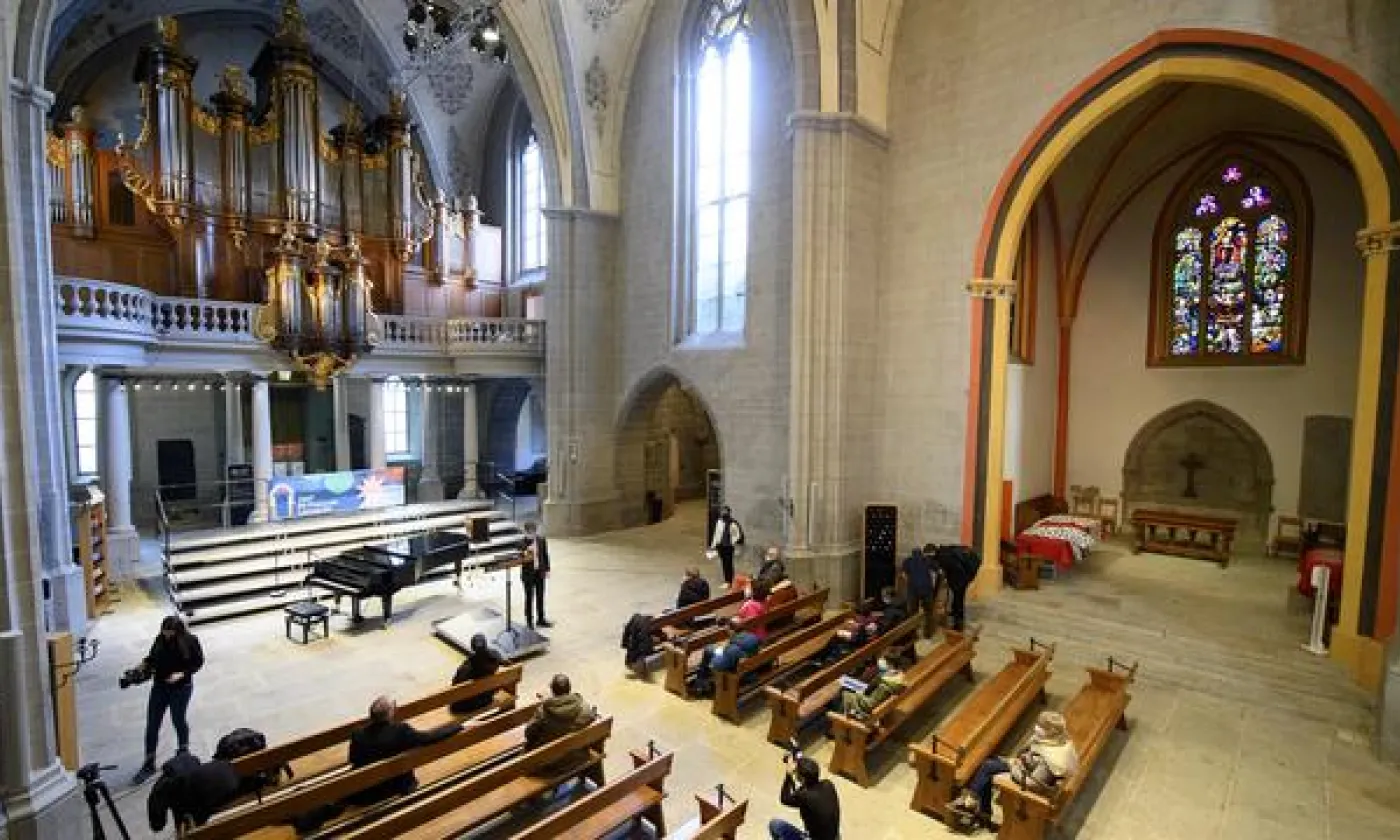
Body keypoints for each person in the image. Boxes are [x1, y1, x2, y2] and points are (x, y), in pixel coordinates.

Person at [953, 710, 1079, 829]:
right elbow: (1033, 757)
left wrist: (1015, 767)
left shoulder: (1051, 758)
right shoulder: (1058, 741)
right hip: (1027, 769)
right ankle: (980, 808)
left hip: (1030, 784)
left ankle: (975, 804)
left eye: (1040, 726)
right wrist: (1023, 760)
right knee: (990, 763)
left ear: (1050, 731)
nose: (1036, 728)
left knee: (988, 768)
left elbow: (1033, 784)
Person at [346, 696, 462, 805]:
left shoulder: (358, 733)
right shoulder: (400, 730)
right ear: (390, 714)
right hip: (394, 787)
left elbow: (353, 759)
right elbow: (428, 738)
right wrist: (457, 726)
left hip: (366, 792)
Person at [134, 616, 205, 784]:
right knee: (152, 723)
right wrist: (142, 666)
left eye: (169, 632)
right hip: (160, 686)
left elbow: (198, 662)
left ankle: (183, 749)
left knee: (178, 719)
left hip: (181, 688)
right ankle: (149, 761)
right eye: (164, 631)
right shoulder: (160, 640)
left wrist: (181, 674)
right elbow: (152, 658)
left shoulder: (190, 640)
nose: (166, 635)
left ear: (177, 631)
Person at [524, 674, 599, 771]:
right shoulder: (585, 707)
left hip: (548, 763)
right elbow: (591, 718)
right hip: (575, 756)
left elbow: (528, 734)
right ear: (569, 689)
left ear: (552, 691)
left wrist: (546, 702)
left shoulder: (543, 712)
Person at [770, 755, 841, 840]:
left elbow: (784, 799)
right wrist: (803, 764)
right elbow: (805, 790)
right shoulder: (828, 784)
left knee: (775, 825)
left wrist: (788, 774)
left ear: (802, 778)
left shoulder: (804, 796)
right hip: (834, 836)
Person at [450, 633, 505, 714]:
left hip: (468, 706)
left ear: (472, 648)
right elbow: (504, 663)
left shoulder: (467, 667)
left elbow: (456, 685)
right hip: (487, 698)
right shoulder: (496, 656)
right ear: (486, 644)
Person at [932, 543, 981, 632]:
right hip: (963, 576)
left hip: (961, 578)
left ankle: (958, 625)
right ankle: (955, 614)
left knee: (959, 600)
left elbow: (942, 577)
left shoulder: (942, 558)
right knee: (957, 598)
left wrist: (934, 594)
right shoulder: (946, 552)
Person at [520, 520, 552, 629]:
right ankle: (529, 621)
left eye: (533, 531)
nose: (531, 534)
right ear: (526, 532)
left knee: (540, 597)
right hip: (528, 575)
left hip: (539, 573)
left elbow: (545, 556)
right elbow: (519, 556)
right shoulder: (522, 542)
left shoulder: (541, 540)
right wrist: (525, 551)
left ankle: (541, 619)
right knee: (529, 598)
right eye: (529, 532)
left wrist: (547, 570)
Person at [900, 545, 937, 638]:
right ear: (921, 553)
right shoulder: (927, 560)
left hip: (913, 590)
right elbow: (936, 572)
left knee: (913, 613)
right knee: (929, 612)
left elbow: (904, 575)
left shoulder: (907, 561)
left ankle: (913, 634)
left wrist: (909, 582)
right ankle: (928, 634)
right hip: (927, 589)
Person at [710, 505, 745, 585]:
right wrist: (713, 545)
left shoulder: (733, 523)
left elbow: (737, 534)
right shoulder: (719, 521)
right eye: (722, 511)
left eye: (725, 511)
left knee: (728, 563)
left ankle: (729, 580)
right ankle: (727, 579)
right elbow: (716, 534)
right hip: (720, 546)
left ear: (728, 512)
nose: (723, 513)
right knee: (724, 563)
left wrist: (732, 541)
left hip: (728, 547)